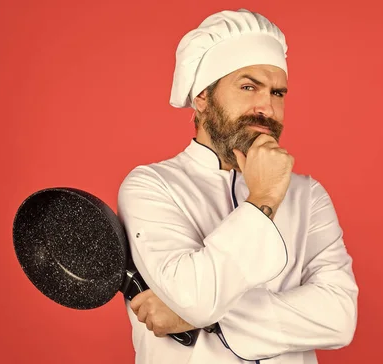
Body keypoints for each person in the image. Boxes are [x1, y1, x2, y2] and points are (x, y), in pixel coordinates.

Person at [117, 8, 359, 364]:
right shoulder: (151, 187)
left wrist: (199, 319)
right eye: (248, 87)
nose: (267, 107)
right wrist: (264, 198)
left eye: (278, 93)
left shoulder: (308, 195)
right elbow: (197, 295)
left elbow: (340, 318)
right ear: (202, 97)